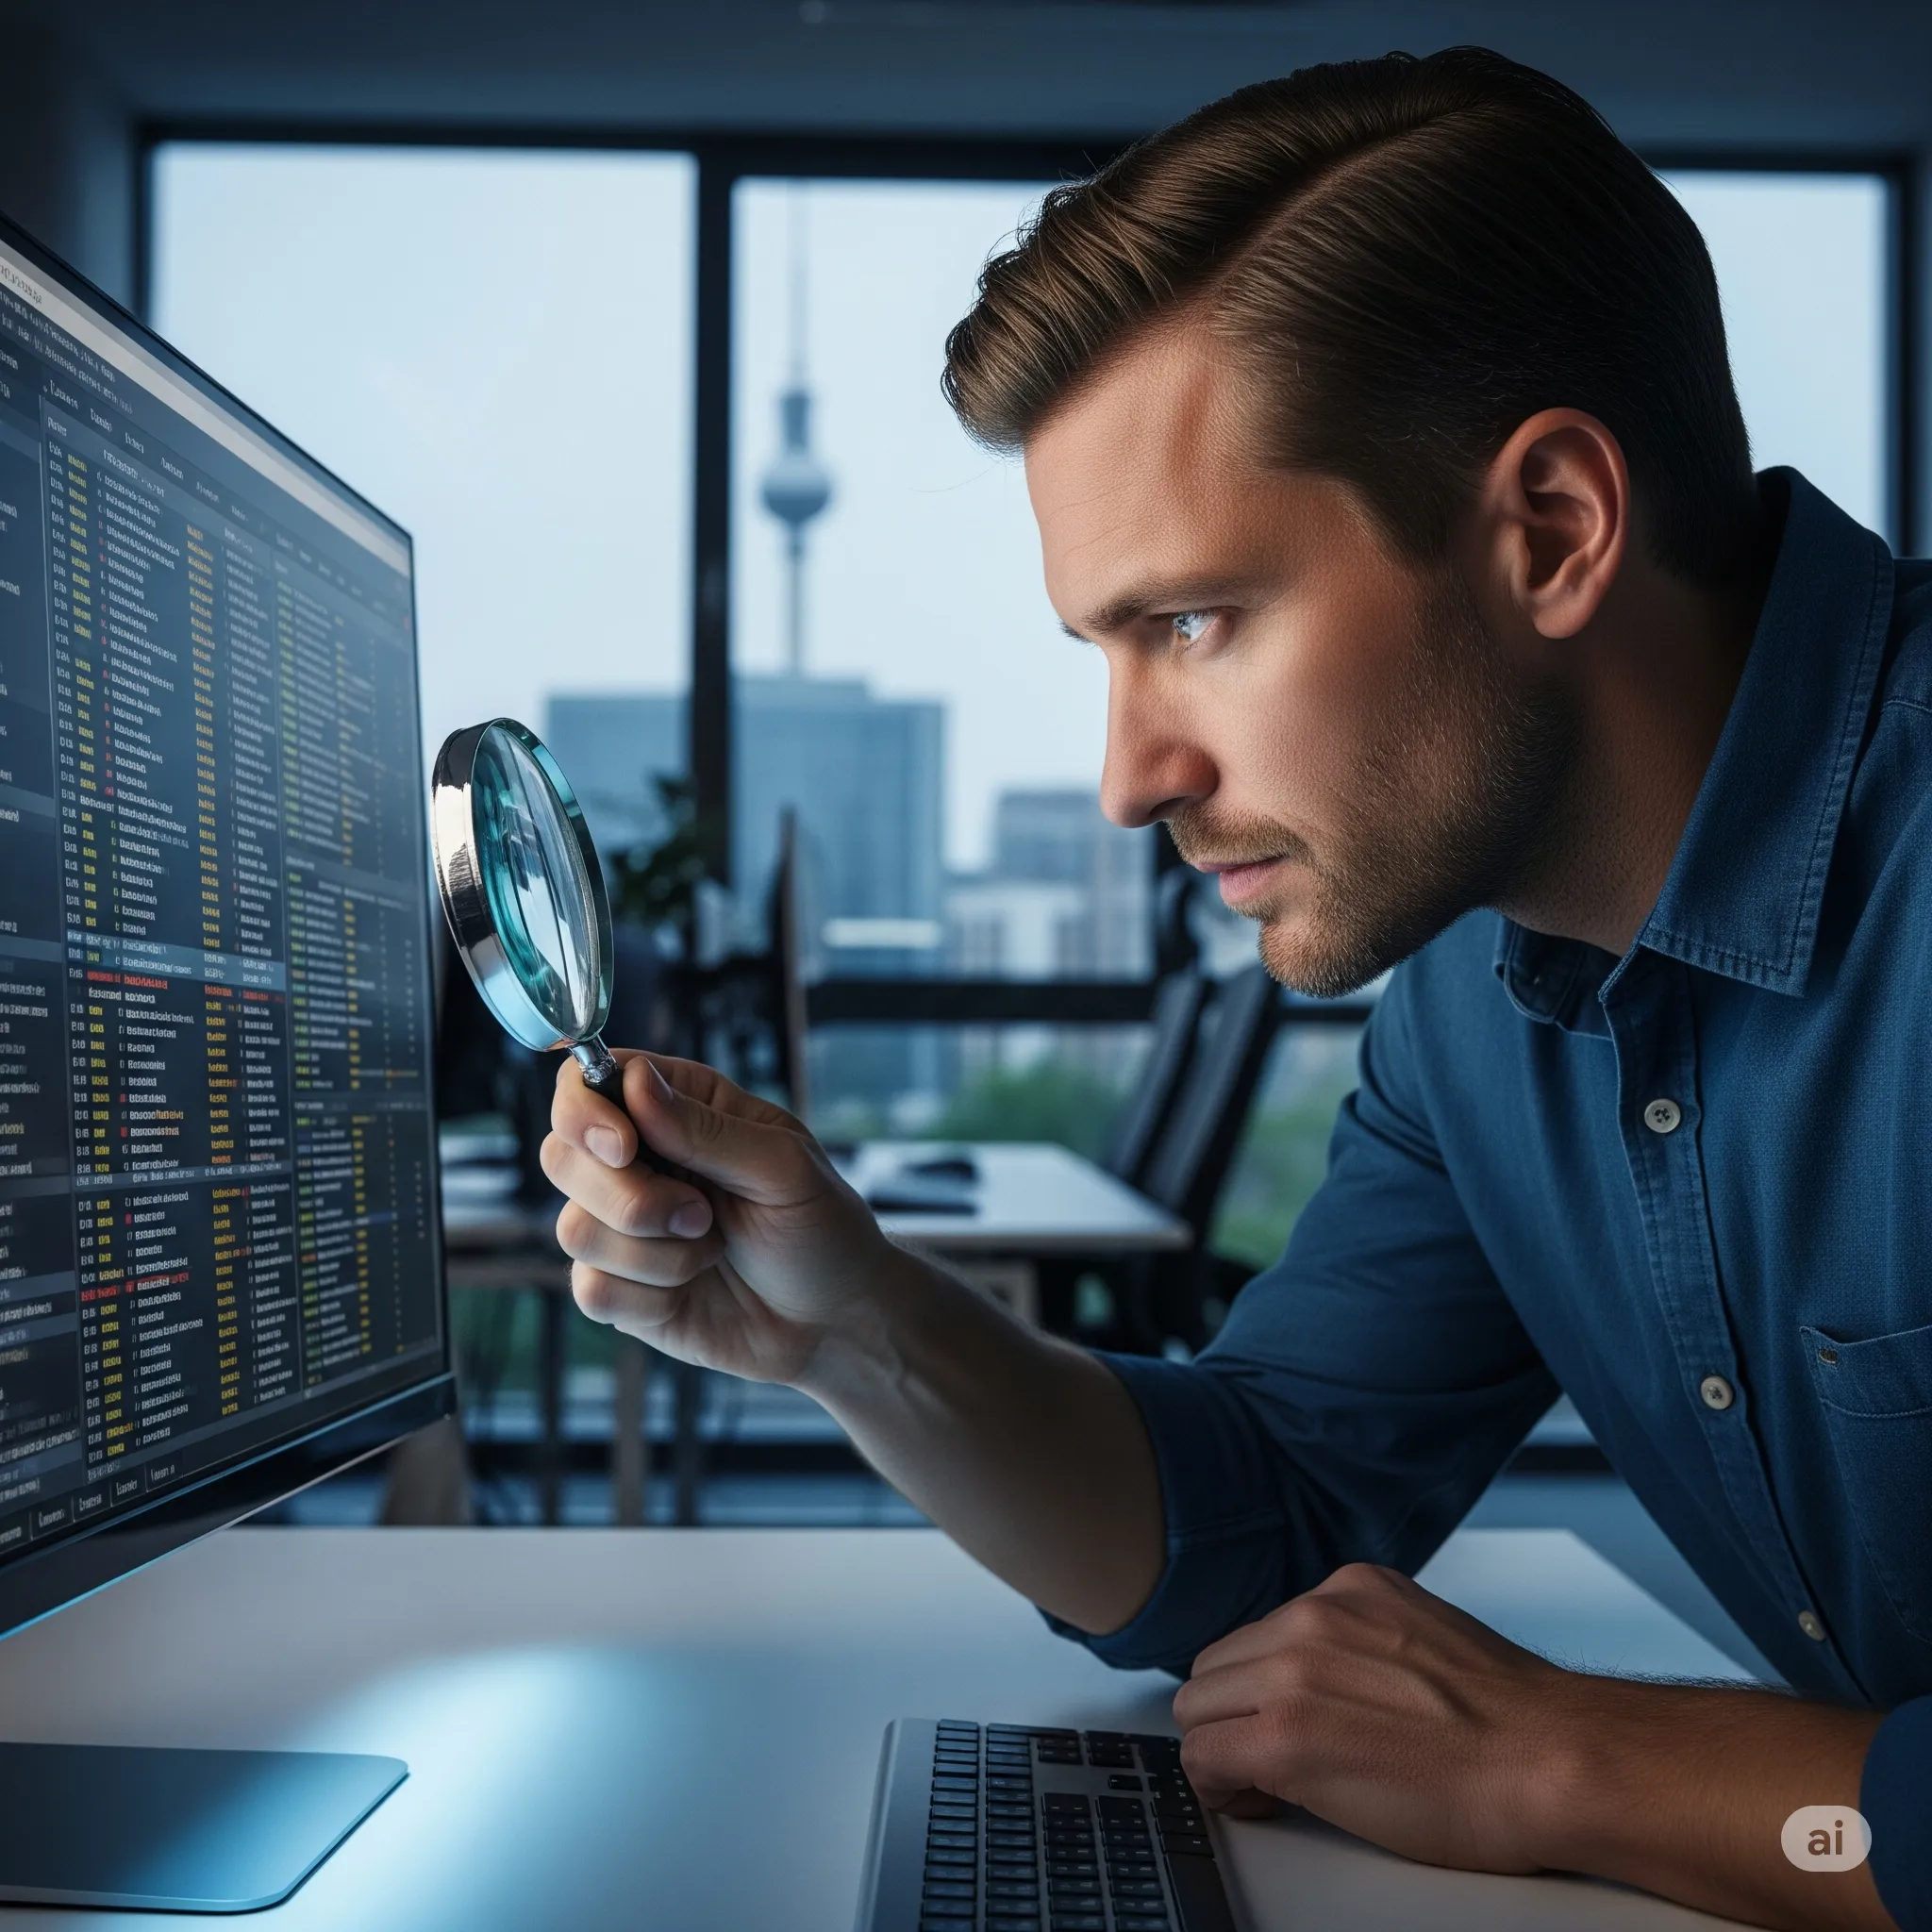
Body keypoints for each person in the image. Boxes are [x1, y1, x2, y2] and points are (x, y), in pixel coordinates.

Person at [543, 47, 1928, 1932]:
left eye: (1189, 622)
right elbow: (1264, 1513)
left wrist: (1561, 1757)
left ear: (1549, 531)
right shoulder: (1472, 1000)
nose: (1129, 779)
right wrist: (846, 1321)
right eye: (1103, 648)